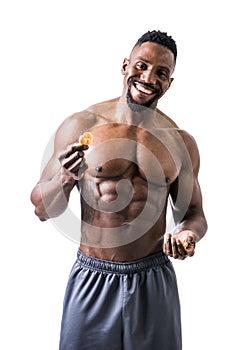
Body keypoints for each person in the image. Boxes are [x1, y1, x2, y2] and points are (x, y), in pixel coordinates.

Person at [30, 30, 207, 350]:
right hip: (93, 278)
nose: (148, 77)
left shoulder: (180, 142)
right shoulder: (82, 125)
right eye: (141, 66)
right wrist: (66, 179)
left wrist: (188, 235)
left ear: (169, 83)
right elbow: (43, 209)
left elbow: (194, 214)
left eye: (161, 73)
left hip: (153, 278)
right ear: (125, 66)